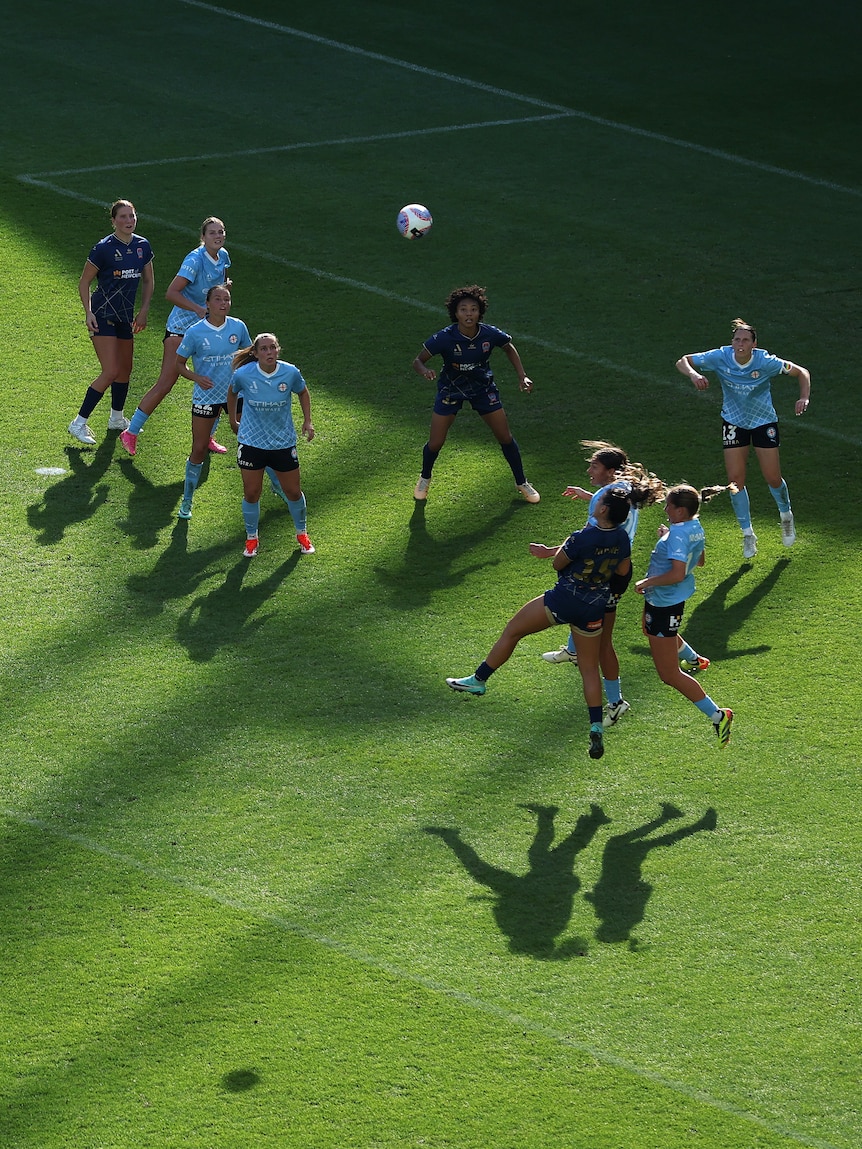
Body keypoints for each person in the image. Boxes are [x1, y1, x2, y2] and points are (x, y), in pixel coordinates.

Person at [446, 486, 648, 761]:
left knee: (513, 631)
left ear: (602, 510)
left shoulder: (582, 537)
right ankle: (596, 725)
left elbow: (557, 563)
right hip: (593, 608)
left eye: (599, 499)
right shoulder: (623, 539)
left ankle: (479, 680)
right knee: (589, 669)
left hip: (562, 600)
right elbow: (623, 571)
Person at [540, 440, 678, 727]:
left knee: (601, 641)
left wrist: (550, 551)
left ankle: (615, 701)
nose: (589, 469)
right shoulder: (624, 490)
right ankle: (577, 653)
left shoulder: (606, 495)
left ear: (611, 470)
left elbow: (585, 541)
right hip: (618, 567)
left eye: (594, 465)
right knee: (593, 627)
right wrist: (588, 495)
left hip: (605, 568)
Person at [676, 318, 811, 559]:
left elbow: (802, 372)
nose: (740, 344)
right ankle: (748, 534)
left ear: (754, 344)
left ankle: (786, 515)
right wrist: (694, 375)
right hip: (733, 421)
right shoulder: (720, 357)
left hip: (763, 422)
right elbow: (682, 361)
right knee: (735, 482)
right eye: (736, 339)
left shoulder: (765, 362)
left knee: (772, 477)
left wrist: (804, 397)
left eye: (745, 340)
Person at [411, 284, 540, 503]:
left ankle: (522, 482)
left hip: (483, 388)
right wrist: (425, 371)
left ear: (480, 312)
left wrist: (522, 375)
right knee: (436, 442)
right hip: (451, 389)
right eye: (463, 309)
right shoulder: (444, 337)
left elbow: (508, 346)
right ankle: (425, 478)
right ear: (455, 313)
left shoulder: (489, 333)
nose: (468, 313)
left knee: (505, 437)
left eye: (473, 309)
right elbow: (418, 361)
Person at [120, 216, 232, 456]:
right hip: (181, 330)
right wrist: (199, 309)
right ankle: (130, 432)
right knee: (166, 383)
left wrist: (222, 291)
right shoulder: (194, 259)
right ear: (203, 237)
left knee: (216, 381)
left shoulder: (222, 257)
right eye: (212, 232)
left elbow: (216, 285)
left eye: (221, 231)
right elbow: (171, 293)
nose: (218, 236)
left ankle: (209, 436)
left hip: (206, 329)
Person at [635, 483, 735, 747]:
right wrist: (669, 536)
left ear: (680, 511)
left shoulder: (678, 535)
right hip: (674, 599)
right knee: (654, 632)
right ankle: (694, 659)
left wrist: (647, 582)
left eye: (668, 505)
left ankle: (718, 715)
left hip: (664, 601)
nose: (665, 508)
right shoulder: (693, 527)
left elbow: (677, 573)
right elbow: (699, 561)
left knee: (668, 674)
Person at [68, 199, 154, 445]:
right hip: (103, 315)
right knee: (111, 371)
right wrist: (88, 312)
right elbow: (84, 282)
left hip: (125, 316)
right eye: (123, 217)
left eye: (132, 216)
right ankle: (78, 423)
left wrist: (144, 310)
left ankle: (116, 418)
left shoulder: (142, 246)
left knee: (125, 370)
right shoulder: (103, 248)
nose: (129, 221)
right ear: (114, 220)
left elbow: (148, 281)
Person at [227, 333, 315, 558]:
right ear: (255, 354)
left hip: (282, 443)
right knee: (252, 492)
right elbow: (232, 391)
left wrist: (308, 421)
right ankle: (251, 538)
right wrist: (233, 420)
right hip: (251, 442)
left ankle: (302, 533)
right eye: (263, 349)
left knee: (293, 492)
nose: (269, 352)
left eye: (272, 348)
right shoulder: (244, 374)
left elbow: (303, 392)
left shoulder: (290, 372)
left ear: (278, 350)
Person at [173, 285, 251, 519]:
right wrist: (197, 377)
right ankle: (187, 500)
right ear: (207, 304)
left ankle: (275, 485)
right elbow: (179, 364)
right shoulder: (195, 332)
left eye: (226, 299)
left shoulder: (238, 327)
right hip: (206, 397)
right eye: (218, 299)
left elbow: (249, 354)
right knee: (198, 448)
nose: (223, 303)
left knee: (252, 444)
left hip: (235, 395)